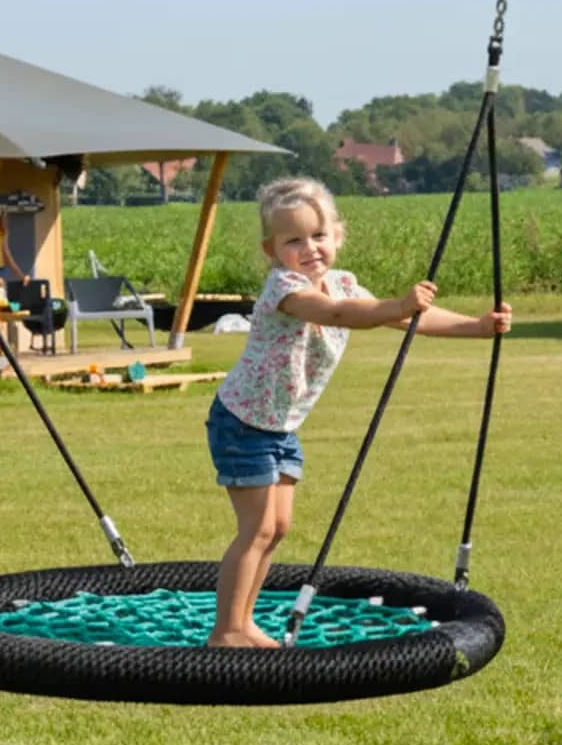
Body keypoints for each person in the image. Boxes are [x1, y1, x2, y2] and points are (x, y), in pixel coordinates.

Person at [204, 176, 512, 648]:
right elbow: (338, 314)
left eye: (318, 235)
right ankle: (227, 630)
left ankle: (242, 624)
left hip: (280, 426)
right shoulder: (285, 288)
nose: (309, 248)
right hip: (243, 423)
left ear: (338, 236)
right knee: (258, 529)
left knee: (277, 529)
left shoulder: (343, 283)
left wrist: (476, 326)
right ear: (271, 250)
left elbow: (407, 318)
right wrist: (399, 303)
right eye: (293, 241)